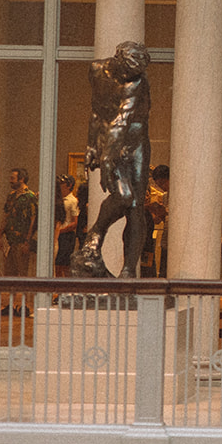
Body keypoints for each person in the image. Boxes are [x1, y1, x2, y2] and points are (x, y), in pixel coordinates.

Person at [74, 41, 152, 278]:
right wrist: (91, 145)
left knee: (136, 207)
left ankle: (128, 270)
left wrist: (107, 157)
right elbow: (97, 110)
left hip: (135, 141)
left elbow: (123, 119)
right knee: (123, 196)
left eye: (136, 73)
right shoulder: (97, 70)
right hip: (109, 138)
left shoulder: (137, 82)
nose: (132, 76)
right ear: (117, 60)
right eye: (128, 71)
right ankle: (95, 234)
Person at [0, 168, 37, 278]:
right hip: (10, 240)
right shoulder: (11, 196)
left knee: (24, 273)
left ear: (21, 179)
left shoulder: (30, 197)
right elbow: (5, 216)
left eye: (13, 178)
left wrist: (27, 241)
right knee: (9, 273)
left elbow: (32, 220)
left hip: (22, 240)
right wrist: (0, 236)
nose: (10, 180)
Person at [144, 164, 170, 277]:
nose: (162, 187)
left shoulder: (180, 194)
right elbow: (160, 220)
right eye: (159, 185)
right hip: (166, 239)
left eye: (163, 183)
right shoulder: (165, 197)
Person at [53, 174, 78, 276]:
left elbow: (74, 222)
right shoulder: (57, 199)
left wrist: (61, 230)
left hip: (66, 236)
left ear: (69, 185)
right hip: (58, 234)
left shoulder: (72, 201)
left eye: (63, 184)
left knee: (64, 264)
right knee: (57, 264)